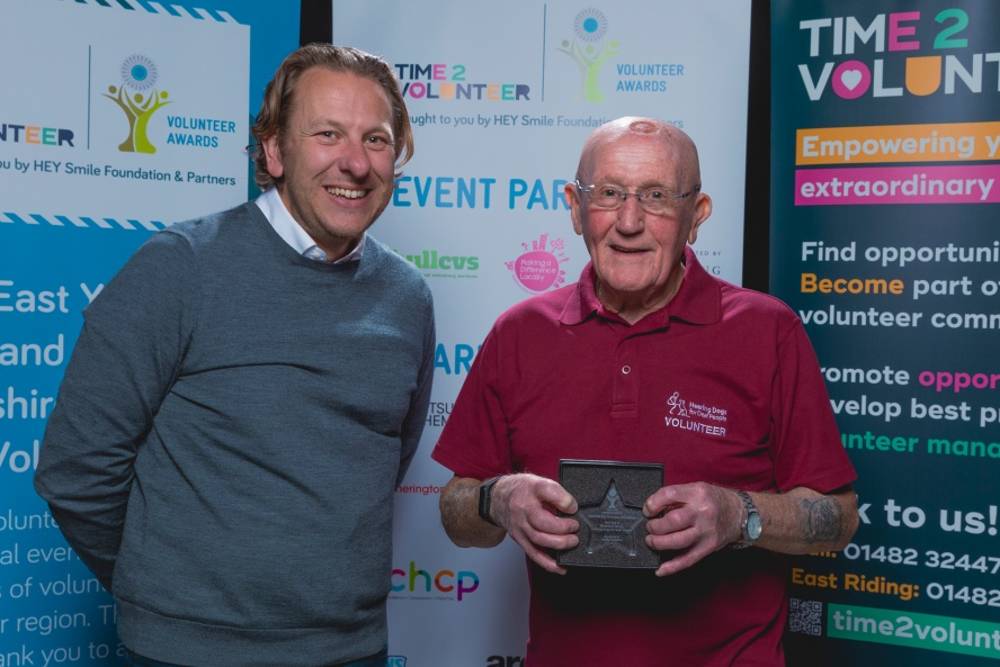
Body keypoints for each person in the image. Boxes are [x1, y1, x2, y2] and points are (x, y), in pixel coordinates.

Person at [34, 44, 435, 667]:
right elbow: (77, 468)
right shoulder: (179, 267)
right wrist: (168, 592)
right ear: (273, 150)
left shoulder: (407, 297)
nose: (355, 162)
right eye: (327, 134)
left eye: (376, 139)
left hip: (352, 649)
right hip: (186, 652)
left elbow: (387, 459)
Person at [433, 117, 858, 666]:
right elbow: (454, 511)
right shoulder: (520, 333)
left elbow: (838, 521)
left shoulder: (768, 330)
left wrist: (739, 514)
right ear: (574, 206)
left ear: (696, 215)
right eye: (608, 193)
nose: (629, 221)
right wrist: (498, 500)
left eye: (656, 196)